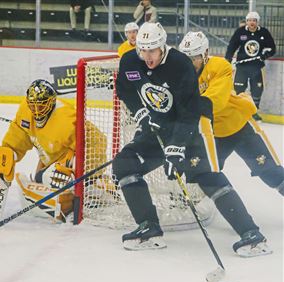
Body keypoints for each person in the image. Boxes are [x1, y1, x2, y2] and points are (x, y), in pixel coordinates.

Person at [114, 22, 268, 257]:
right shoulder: (129, 60)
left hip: (190, 128)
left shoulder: (180, 65)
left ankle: (251, 234)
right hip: (157, 130)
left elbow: (190, 111)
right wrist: (141, 113)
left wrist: (176, 148)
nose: (146, 57)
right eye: (142, 50)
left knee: (204, 175)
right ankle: (149, 228)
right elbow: (124, 89)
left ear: (163, 46)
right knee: (125, 163)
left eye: (152, 50)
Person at [180, 30, 284, 254]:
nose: (191, 62)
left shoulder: (220, 67)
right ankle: (248, 230)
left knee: (272, 175)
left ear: (205, 53)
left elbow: (213, 102)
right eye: (187, 57)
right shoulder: (181, 74)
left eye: (195, 57)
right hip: (215, 136)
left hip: (239, 128)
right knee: (206, 175)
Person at [0, 79, 107, 222]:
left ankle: (90, 190)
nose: (36, 112)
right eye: (33, 106)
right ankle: (81, 194)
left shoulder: (65, 120)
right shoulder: (26, 111)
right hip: (51, 160)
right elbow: (17, 138)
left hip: (69, 163)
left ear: (51, 103)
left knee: (48, 179)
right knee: (39, 179)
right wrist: (7, 154)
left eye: (41, 107)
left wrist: (81, 172)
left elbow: (98, 141)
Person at [225, 11, 276, 121]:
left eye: (254, 20)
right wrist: (227, 59)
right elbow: (232, 46)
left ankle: (254, 112)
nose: (251, 22)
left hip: (256, 67)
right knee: (239, 89)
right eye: (249, 20)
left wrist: (265, 55)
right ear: (247, 21)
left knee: (257, 89)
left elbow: (272, 48)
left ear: (257, 22)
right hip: (242, 66)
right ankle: (239, 111)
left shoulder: (264, 32)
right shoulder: (240, 32)